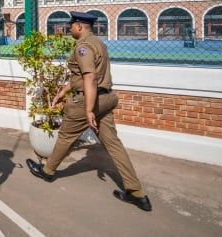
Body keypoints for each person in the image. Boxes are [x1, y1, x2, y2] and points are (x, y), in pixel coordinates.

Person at [26, 11, 152, 212]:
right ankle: (136, 193)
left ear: (79, 26)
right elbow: (82, 76)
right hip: (107, 98)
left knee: (66, 136)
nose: (69, 29)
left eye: (71, 26)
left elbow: (90, 78)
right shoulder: (98, 43)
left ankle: (48, 171)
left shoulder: (83, 47)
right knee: (113, 144)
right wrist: (65, 90)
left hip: (89, 99)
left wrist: (88, 110)